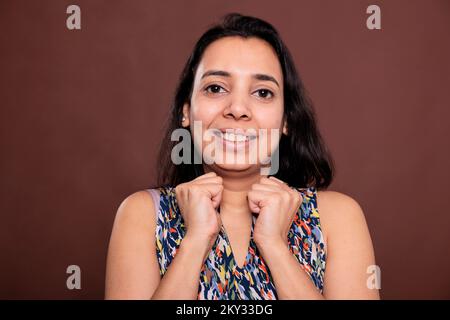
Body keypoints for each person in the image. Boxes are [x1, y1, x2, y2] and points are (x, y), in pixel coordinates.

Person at [104, 13, 380, 300]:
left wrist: (274, 246)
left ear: (286, 119)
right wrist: (195, 242)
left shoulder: (337, 218)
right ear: (185, 110)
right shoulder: (142, 215)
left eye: (262, 92)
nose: (238, 108)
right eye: (215, 88)